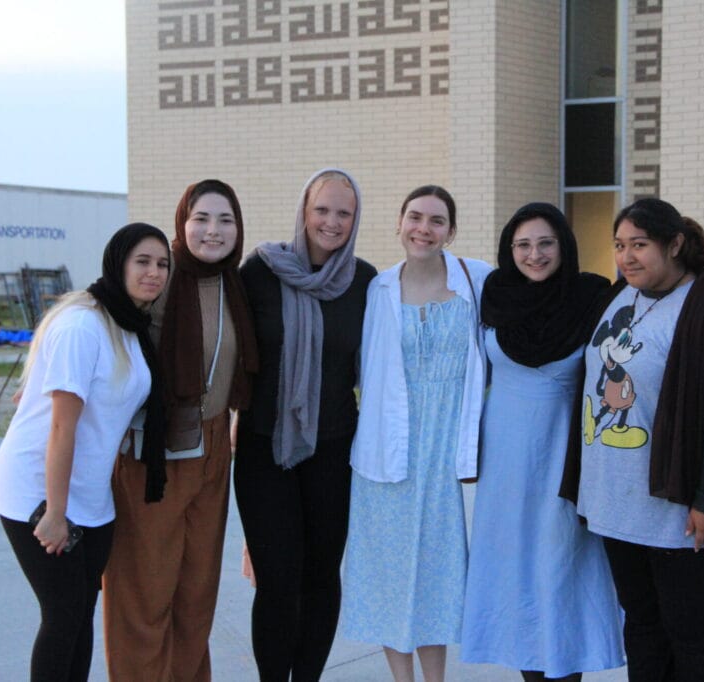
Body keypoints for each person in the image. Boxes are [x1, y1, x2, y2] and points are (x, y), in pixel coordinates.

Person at [565, 197, 704, 682]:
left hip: (684, 512)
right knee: (645, 629)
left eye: (640, 245)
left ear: (675, 244)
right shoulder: (621, 296)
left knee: (696, 636)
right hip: (621, 503)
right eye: (619, 245)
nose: (627, 257)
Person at [0, 222, 170, 682]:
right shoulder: (83, 325)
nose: (154, 273)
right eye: (143, 262)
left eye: (162, 264)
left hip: (91, 496)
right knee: (63, 614)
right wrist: (54, 512)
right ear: (118, 264)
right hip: (39, 491)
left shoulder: (128, 325)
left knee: (80, 611)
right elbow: (60, 426)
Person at [461, 203, 624, 682]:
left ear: (564, 246)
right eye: (523, 245)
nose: (535, 255)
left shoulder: (594, 297)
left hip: (564, 452)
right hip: (505, 460)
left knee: (560, 565)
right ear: (509, 250)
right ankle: (529, 670)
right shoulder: (493, 295)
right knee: (514, 570)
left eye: (546, 243)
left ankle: (564, 669)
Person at [102, 180, 258, 681]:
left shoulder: (236, 283)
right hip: (153, 451)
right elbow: (98, 313)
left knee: (195, 596)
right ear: (181, 223)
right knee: (143, 595)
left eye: (225, 220)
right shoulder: (160, 274)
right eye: (201, 218)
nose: (213, 231)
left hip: (212, 445)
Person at [341, 185, 491, 682]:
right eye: (415, 217)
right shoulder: (377, 288)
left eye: (436, 220)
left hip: (447, 446)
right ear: (400, 223)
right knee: (388, 572)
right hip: (389, 448)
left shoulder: (477, 281)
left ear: (452, 231)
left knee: (437, 571)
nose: (424, 229)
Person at [234, 168, 376, 681]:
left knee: (320, 577)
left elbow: (382, 368)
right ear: (303, 210)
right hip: (262, 449)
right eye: (322, 209)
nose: (331, 222)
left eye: (344, 212)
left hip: (335, 448)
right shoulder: (260, 271)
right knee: (277, 580)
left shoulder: (365, 282)